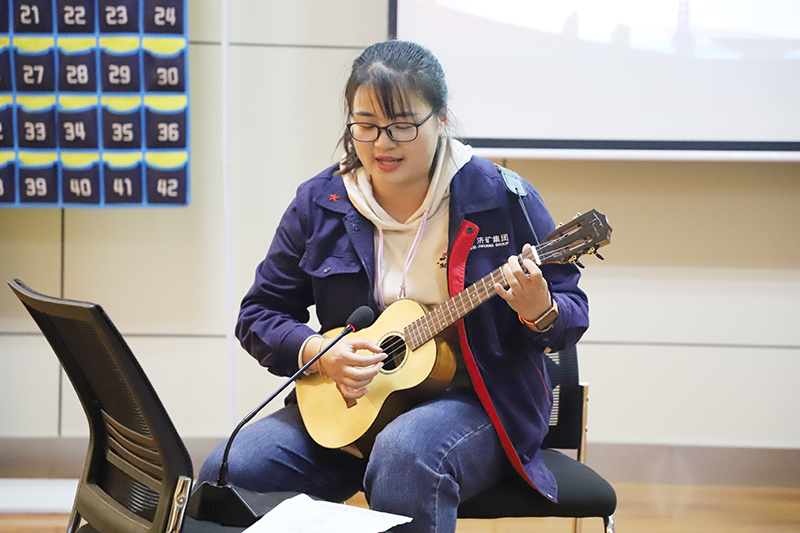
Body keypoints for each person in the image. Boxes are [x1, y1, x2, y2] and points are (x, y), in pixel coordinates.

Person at [198, 40, 589, 532]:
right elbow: (259, 314)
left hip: (478, 402)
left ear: (441, 118)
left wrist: (541, 309)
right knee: (228, 471)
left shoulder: (500, 196)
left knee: (406, 454)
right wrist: (318, 350)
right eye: (365, 125)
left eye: (403, 125)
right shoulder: (321, 202)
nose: (382, 143)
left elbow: (570, 309)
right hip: (353, 407)